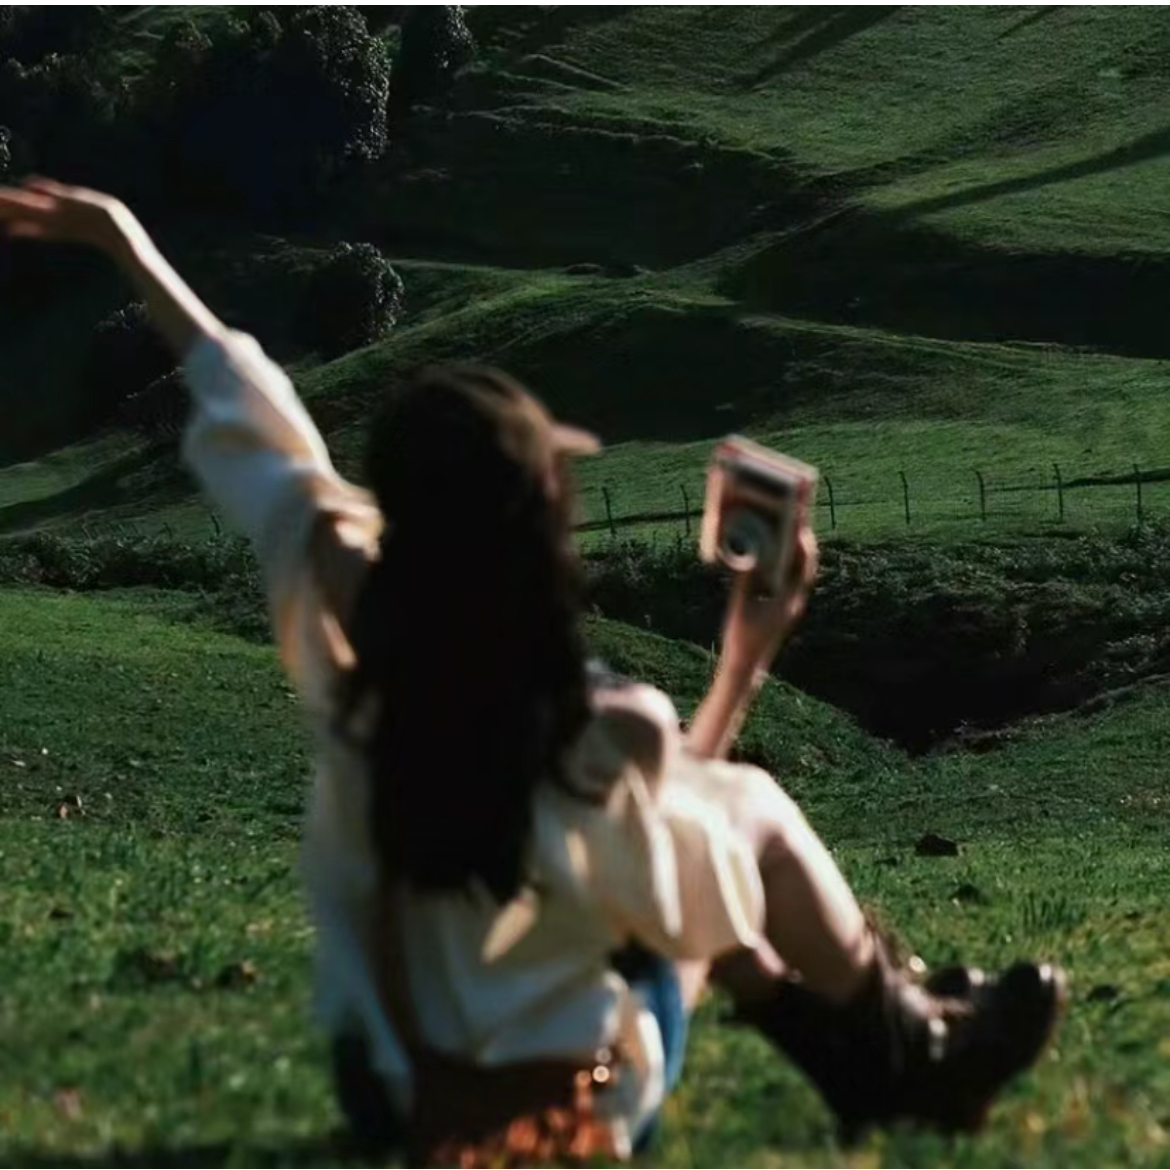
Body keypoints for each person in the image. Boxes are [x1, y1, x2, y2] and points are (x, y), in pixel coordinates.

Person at [0, 178, 1065, 1165]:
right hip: (560, 1114)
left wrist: (118, 237)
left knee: (667, 827)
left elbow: (256, 412)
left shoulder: (356, 640)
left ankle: (908, 1022)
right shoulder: (607, 723)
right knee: (739, 805)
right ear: (545, 525)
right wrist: (749, 654)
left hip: (386, 1090)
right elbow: (682, 895)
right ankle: (906, 1046)